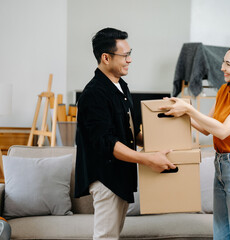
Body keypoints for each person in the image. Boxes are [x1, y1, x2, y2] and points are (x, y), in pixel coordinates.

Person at [74, 27, 176, 240]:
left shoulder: (121, 87)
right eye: (125, 55)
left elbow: (129, 132)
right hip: (106, 178)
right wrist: (148, 160)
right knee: (106, 237)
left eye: (130, 54)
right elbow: (107, 142)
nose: (130, 60)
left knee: (113, 236)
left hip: (120, 176)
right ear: (105, 57)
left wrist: (167, 140)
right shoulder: (93, 94)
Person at [161, 43, 230, 240]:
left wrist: (189, 109)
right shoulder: (224, 90)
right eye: (222, 63)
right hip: (221, 164)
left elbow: (223, 130)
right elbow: (207, 128)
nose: (221, 68)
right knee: (222, 232)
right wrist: (178, 114)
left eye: (228, 64)